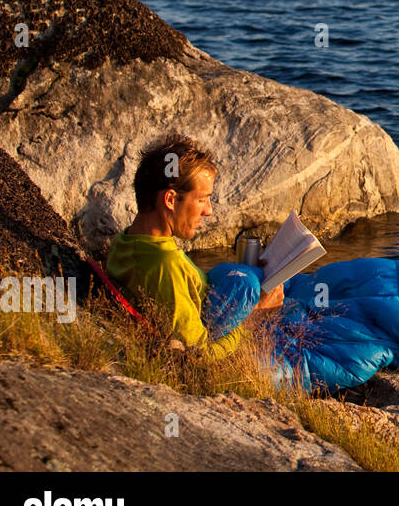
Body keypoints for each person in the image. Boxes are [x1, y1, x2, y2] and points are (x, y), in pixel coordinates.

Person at [105, 132, 283, 358]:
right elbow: (199, 356)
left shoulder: (127, 241)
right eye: (201, 199)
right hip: (241, 347)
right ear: (170, 200)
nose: (208, 211)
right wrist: (255, 318)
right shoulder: (163, 265)